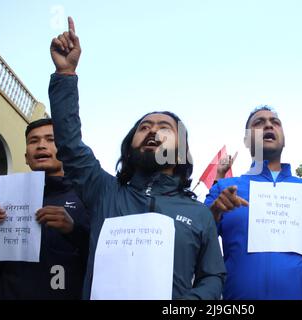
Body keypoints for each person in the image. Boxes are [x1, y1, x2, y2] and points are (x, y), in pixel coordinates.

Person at [48, 17, 225, 300]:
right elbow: (68, 144)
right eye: (144, 127)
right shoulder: (104, 191)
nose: (153, 131)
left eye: (165, 128)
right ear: (129, 147)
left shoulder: (200, 215)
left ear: (181, 149)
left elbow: (213, 276)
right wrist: (66, 75)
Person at [204, 105, 302, 299]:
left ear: (284, 138)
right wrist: (214, 212)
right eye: (259, 123)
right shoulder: (224, 186)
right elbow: (196, 240)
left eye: (275, 123)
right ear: (248, 141)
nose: (268, 125)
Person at [0, 118, 89, 299]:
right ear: (26, 157)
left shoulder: (88, 197)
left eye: (51, 139)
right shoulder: (5, 198)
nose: (41, 145)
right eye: (33, 141)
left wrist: (73, 231)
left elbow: (102, 264)